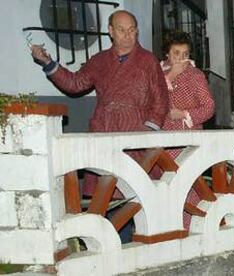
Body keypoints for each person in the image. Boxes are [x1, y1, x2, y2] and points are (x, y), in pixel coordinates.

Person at [31, 10, 169, 242]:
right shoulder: (99, 61)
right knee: (107, 202)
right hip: (104, 135)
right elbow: (75, 84)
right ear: (111, 32)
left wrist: (147, 132)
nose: (128, 35)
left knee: (137, 198)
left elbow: (161, 100)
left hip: (135, 140)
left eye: (132, 30)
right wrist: (48, 63)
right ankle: (110, 246)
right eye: (122, 30)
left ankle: (140, 248)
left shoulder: (148, 61)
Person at [160, 30, 215, 229]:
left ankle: (192, 229)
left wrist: (184, 114)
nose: (181, 59)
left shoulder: (196, 75)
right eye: (176, 53)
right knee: (164, 187)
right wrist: (172, 75)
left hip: (187, 138)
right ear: (167, 53)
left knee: (189, 185)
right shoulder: (156, 74)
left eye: (185, 54)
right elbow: (151, 101)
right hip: (162, 139)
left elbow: (209, 107)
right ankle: (168, 231)